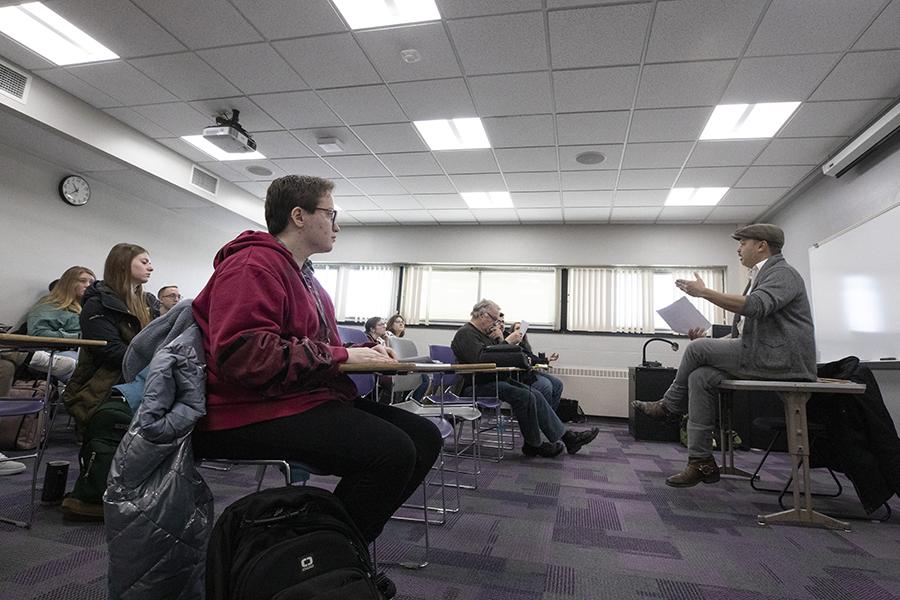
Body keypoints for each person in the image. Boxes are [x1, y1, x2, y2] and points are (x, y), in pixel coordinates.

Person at [191, 174, 442, 563]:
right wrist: (343, 358)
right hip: (244, 412)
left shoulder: (306, 277)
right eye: (331, 213)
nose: (337, 225)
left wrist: (362, 352)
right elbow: (243, 355)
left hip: (296, 399)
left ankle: (333, 553)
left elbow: (318, 347)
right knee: (391, 453)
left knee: (424, 437)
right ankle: (323, 562)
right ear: (298, 216)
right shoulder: (252, 265)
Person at [632, 224, 816, 487]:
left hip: (781, 359)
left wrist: (704, 292)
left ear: (762, 245)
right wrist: (709, 344)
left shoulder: (783, 274)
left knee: (697, 350)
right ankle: (701, 461)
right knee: (700, 376)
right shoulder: (759, 276)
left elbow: (756, 307)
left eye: (743, 243)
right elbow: (746, 332)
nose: (739, 249)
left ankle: (669, 406)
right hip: (760, 352)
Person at [60, 243, 156, 519]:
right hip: (103, 383)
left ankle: (139, 492)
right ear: (123, 265)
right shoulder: (97, 303)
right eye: (144, 261)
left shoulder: (146, 302)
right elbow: (110, 352)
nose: (151, 267)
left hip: (136, 378)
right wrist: (155, 364)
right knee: (115, 419)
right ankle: (94, 496)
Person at [452, 299, 599, 458]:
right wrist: (507, 342)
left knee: (535, 394)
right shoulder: (465, 334)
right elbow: (481, 360)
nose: (496, 324)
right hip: (474, 384)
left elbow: (502, 357)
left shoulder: (485, 335)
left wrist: (503, 341)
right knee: (525, 396)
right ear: (481, 315)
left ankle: (566, 438)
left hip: (492, 380)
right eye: (494, 319)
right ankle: (535, 445)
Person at [24, 265, 95, 380]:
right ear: (69, 284)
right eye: (82, 281)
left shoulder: (92, 309)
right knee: (84, 368)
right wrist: (78, 337)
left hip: (88, 352)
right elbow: (37, 334)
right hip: (55, 354)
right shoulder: (47, 307)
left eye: (91, 282)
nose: (88, 285)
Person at [509, 320, 565, 412]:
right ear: (512, 332)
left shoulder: (524, 345)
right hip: (521, 375)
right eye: (517, 328)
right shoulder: (510, 345)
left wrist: (547, 360)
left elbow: (533, 359)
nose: (520, 331)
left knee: (558, 384)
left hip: (530, 372)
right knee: (546, 386)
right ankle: (544, 418)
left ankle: (551, 416)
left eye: (522, 328)